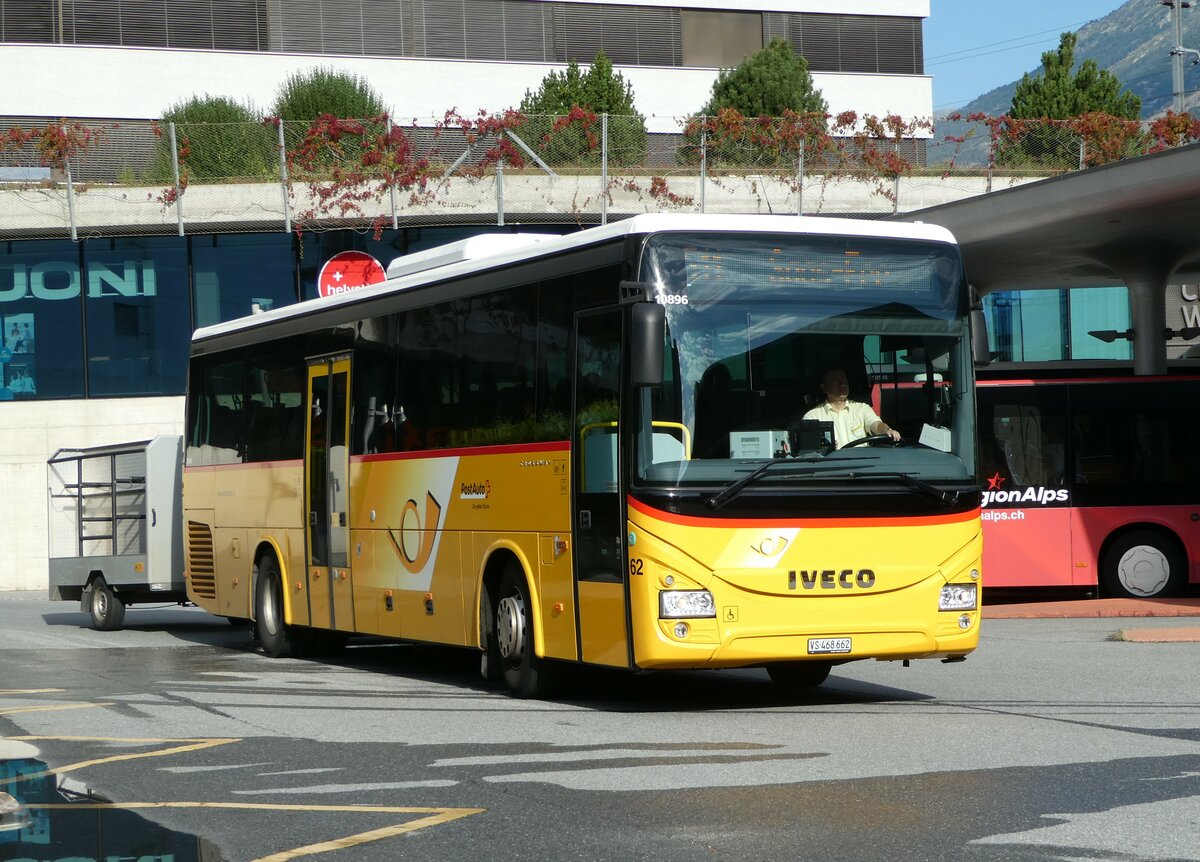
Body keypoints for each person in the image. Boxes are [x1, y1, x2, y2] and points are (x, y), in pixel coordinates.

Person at [803, 367, 900, 449]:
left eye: (844, 380)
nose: (842, 384)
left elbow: (876, 425)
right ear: (823, 387)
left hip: (862, 466)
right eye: (836, 381)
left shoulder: (862, 409)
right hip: (831, 468)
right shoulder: (812, 417)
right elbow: (812, 452)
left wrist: (887, 430)